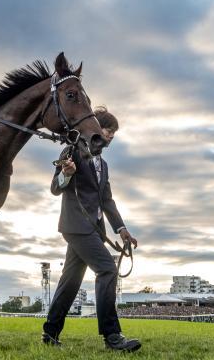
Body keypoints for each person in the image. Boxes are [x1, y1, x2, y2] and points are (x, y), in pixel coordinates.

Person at [42, 106, 141, 352]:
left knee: (70, 282)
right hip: (76, 226)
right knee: (107, 270)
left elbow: (106, 200)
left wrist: (121, 228)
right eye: (109, 131)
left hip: (92, 229)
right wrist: (66, 174)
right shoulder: (72, 151)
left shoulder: (103, 165)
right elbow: (56, 187)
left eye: (114, 134)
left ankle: (50, 333)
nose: (111, 137)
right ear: (97, 128)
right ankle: (112, 336)